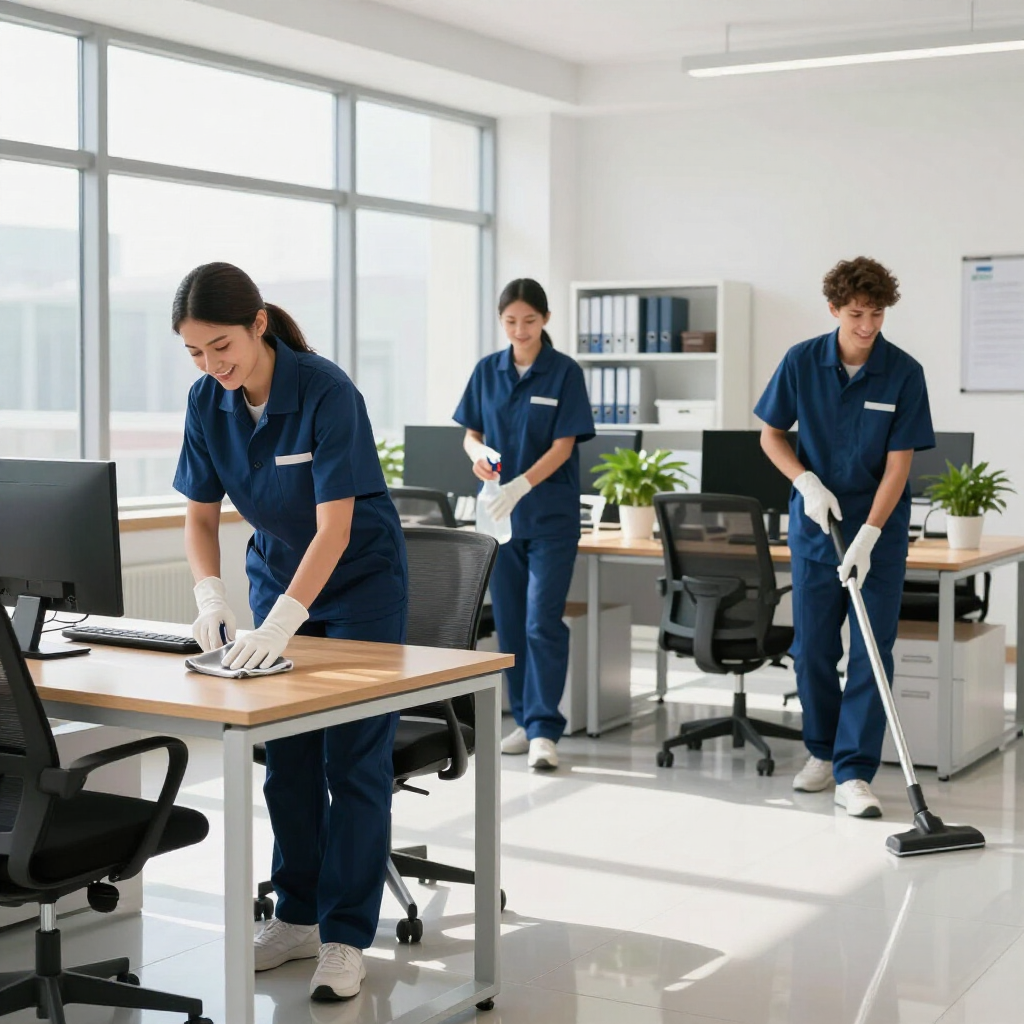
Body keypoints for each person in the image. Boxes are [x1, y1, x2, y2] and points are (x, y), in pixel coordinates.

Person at [171, 262, 407, 1002]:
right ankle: (297, 914)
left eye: (221, 347)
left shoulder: (327, 392)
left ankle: (343, 937)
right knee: (289, 762)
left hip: (361, 587)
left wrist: (282, 623)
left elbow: (335, 527)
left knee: (356, 764)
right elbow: (200, 514)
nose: (212, 366)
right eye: (196, 354)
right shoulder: (207, 402)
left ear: (258, 325)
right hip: (279, 574)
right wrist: (210, 593)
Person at [755, 257, 934, 818]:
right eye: (856, 313)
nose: (867, 326)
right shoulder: (802, 361)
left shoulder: (903, 372)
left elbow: (899, 467)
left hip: (877, 533)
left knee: (872, 654)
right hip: (815, 528)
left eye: (877, 313)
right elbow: (771, 436)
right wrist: (803, 480)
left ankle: (854, 772)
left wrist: (869, 536)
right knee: (812, 650)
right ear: (834, 309)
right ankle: (821, 753)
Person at [454, 278, 595, 771]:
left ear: (546, 320)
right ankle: (522, 722)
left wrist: (522, 485)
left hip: (550, 515)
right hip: (498, 516)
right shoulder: (487, 371)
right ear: (501, 321)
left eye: (529, 321)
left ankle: (544, 729)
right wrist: (479, 455)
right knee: (511, 621)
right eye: (511, 322)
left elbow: (563, 446)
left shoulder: (563, 373)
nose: (520, 330)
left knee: (541, 620)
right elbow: (472, 433)